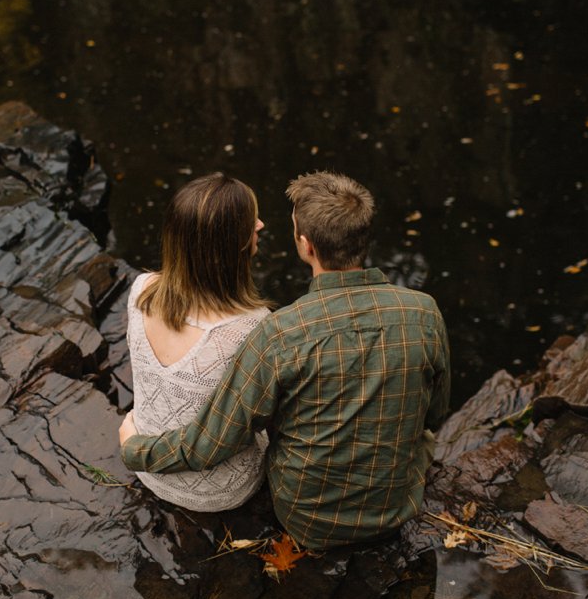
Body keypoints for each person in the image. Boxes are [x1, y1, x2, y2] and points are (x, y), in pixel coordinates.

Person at [121, 171, 450, 550]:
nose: (261, 225)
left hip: (307, 520)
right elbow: (435, 414)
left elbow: (212, 441)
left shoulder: (280, 333)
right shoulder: (424, 312)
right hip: (398, 508)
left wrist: (134, 450)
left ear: (305, 245)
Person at [122, 173, 270, 510]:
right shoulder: (252, 328)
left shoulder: (142, 288)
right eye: (250, 222)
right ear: (232, 244)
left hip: (148, 466)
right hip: (220, 492)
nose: (260, 225)